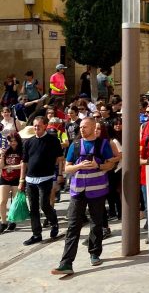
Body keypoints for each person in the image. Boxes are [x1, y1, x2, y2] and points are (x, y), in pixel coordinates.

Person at [50, 117, 116, 275]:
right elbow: (67, 168)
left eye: (85, 127)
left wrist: (98, 165)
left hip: (98, 191)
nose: (81, 129)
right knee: (73, 226)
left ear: (94, 127)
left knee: (96, 223)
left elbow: (111, 164)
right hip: (77, 191)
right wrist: (79, 166)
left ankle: (94, 253)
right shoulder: (75, 144)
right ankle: (66, 263)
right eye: (80, 127)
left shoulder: (103, 144)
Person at [19, 116, 63, 246]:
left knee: (44, 204)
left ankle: (54, 222)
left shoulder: (52, 140)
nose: (36, 128)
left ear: (45, 125)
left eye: (39, 125)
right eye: (35, 126)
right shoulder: (28, 142)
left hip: (46, 178)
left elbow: (60, 158)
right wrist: (22, 179)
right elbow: (24, 162)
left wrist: (60, 174)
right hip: (30, 179)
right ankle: (36, 234)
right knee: (33, 207)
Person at [0, 133, 23, 233]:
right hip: (5, 177)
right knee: (2, 201)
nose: (13, 143)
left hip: (16, 178)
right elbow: (1, 166)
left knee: (14, 202)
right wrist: (2, 155)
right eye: (11, 141)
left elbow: (22, 165)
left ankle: (12, 220)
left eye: (15, 141)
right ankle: (3, 222)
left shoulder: (21, 150)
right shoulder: (5, 151)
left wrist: (10, 167)